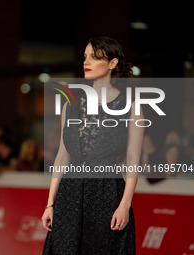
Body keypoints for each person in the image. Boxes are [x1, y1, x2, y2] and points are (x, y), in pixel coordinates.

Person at [41, 37, 143, 254]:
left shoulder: (131, 106)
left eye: (95, 57)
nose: (86, 61)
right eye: (85, 56)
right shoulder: (71, 104)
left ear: (113, 63)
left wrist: (124, 205)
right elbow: (62, 156)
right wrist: (50, 204)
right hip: (69, 194)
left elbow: (133, 159)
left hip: (106, 193)